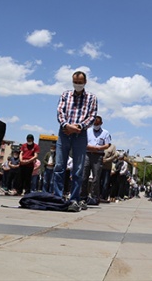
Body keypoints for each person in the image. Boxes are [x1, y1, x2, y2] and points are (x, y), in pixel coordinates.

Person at [53, 71, 98, 210]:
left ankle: (74, 199)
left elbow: (92, 116)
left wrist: (78, 127)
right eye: (75, 82)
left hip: (80, 134)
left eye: (80, 82)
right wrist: (67, 126)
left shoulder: (91, 98)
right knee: (59, 166)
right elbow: (60, 112)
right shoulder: (65, 95)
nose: (77, 85)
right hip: (64, 132)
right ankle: (58, 197)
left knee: (78, 169)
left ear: (85, 82)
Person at [81, 116, 111, 205]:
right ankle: (83, 196)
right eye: (94, 124)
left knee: (96, 177)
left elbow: (107, 145)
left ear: (101, 123)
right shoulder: (88, 131)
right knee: (84, 176)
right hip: (87, 154)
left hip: (98, 156)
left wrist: (98, 148)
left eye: (97, 124)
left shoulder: (105, 133)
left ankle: (95, 197)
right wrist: (91, 147)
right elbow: (83, 142)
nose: (96, 125)